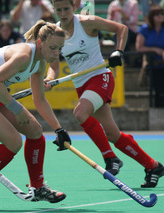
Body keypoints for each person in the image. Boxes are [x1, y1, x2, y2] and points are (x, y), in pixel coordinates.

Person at [0, 20, 71, 210]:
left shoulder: (40, 61)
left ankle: (38, 186)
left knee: (35, 131)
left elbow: (40, 99)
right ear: (40, 43)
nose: (56, 53)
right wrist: (19, 110)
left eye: (60, 49)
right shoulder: (24, 56)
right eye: (53, 48)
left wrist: (59, 129)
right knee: (14, 141)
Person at [48, 0, 163, 187]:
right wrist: (49, 79)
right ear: (53, 9)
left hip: (100, 78)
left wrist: (118, 51)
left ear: (74, 7)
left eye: (66, 9)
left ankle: (110, 158)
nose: (63, 13)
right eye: (58, 9)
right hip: (82, 86)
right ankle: (152, 166)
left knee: (79, 113)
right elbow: (53, 66)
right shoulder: (55, 33)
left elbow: (122, 28)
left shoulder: (87, 22)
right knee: (112, 134)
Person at [136, 5, 164, 107]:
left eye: (162, 13)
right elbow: (139, 47)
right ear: (152, 16)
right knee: (158, 91)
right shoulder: (145, 29)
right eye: (157, 14)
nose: (160, 16)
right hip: (153, 65)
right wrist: (155, 50)